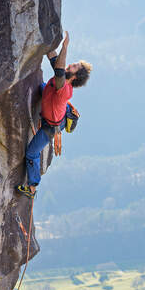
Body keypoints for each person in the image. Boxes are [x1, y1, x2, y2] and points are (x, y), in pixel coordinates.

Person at [17, 31, 92, 199]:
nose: (71, 64)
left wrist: (65, 47)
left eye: (74, 66)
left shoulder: (63, 88)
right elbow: (53, 58)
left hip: (50, 127)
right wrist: (44, 35)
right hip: (51, 99)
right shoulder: (63, 79)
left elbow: (58, 69)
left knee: (31, 153)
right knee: (43, 87)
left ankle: (32, 187)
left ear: (74, 77)